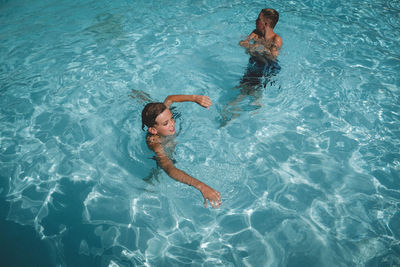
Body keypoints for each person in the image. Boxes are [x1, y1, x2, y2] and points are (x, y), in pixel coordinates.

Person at [141, 95, 222, 208]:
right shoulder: (156, 144)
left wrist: (194, 98)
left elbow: (170, 99)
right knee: (161, 167)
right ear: (153, 130)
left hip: (166, 137)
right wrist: (201, 186)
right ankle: (149, 181)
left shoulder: (163, 114)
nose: (172, 124)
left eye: (172, 118)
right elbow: (170, 170)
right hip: (164, 149)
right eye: (166, 123)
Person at [239, 8, 282, 88]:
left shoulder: (276, 39)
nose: (255, 20)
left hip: (269, 66)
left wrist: (259, 49)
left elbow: (273, 57)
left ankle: (257, 99)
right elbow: (242, 43)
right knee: (243, 85)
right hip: (255, 62)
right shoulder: (255, 33)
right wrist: (252, 47)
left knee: (258, 87)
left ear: (265, 24)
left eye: (258, 19)